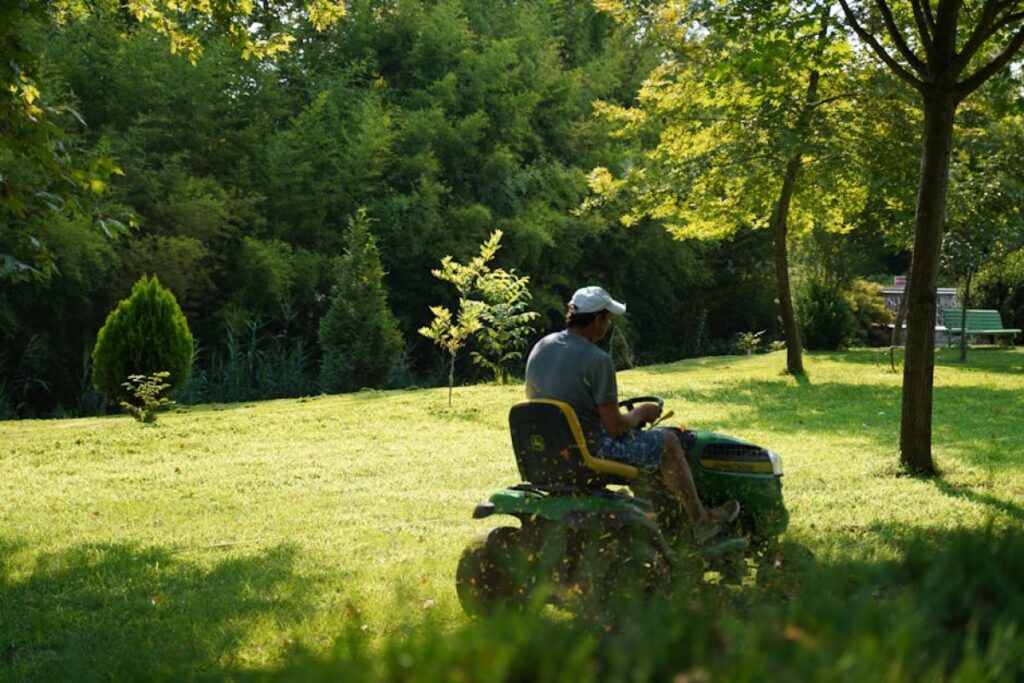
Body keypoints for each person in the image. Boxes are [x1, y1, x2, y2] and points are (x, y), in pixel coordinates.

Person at [524, 285, 739, 543]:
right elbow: (615, 426)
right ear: (598, 319)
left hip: (549, 453)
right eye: (608, 318)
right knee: (668, 442)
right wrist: (641, 412)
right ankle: (701, 520)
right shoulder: (597, 359)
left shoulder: (541, 347)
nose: (608, 324)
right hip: (590, 452)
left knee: (642, 446)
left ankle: (656, 520)